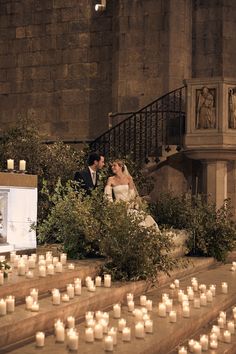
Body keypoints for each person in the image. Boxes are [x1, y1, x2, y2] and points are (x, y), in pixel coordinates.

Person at [104, 159, 159, 230]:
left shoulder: (129, 178)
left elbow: (132, 194)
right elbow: (107, 195)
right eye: (112, 166)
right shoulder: (110, 179)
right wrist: (112, 207)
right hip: (117, 208)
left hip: (128, 206)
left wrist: (129, 205)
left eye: (114, 165)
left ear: (121, 167)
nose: (112, 167)